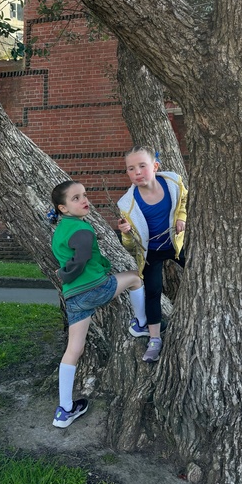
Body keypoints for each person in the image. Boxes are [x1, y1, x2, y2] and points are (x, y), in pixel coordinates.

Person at [49, 180, 147, 428]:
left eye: (84, 195)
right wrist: (65, 274)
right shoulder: (82, 229)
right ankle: (141, 324)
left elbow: (71, 258)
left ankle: (64, 410)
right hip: (95, 288)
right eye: (76, 198)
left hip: (74, 297)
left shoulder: (60, 230)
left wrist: (65, 276)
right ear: (63, 208)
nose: (84, 200)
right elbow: (81, 259)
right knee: (136, 278)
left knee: (74, 349)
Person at [117, 145, 187, 363]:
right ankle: (154, 338)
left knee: (199, 272)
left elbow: (184, 201)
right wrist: (126, 233)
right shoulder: (127, 204)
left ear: (155, 166)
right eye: (131, 169)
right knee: (153, 292)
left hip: (176, 244)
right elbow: (131, 245)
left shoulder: (173, 183)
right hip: (151, 252)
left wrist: (181, 218)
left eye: (142, 166)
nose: (137, 172)